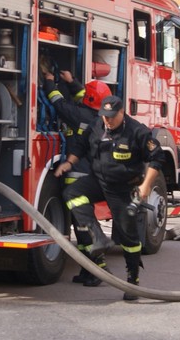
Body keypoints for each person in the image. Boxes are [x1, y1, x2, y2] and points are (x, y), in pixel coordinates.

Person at [56, 95, 169, 301]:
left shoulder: (137, 131)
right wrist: (69, 163)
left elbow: (157, 158)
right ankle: (97, 236)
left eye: (111, 117)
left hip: (122, 188)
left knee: (128, 237)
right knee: (72, 193)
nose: (107, 121)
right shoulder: (97, 126)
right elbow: (81, 145)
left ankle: (132, 280)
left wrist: (145, 187)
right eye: (104, 116)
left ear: (121, 113)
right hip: (99, 181)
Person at [42, 68, 112, 286]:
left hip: (77, 177)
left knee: (82, 227)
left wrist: (50, 83)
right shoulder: (97, 116)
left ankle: (97, 269)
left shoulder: (79, 115)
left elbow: (58, 103)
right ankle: (87, 269)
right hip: (90, 175)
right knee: (80, 226)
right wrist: (72, 82)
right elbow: (85, 95)